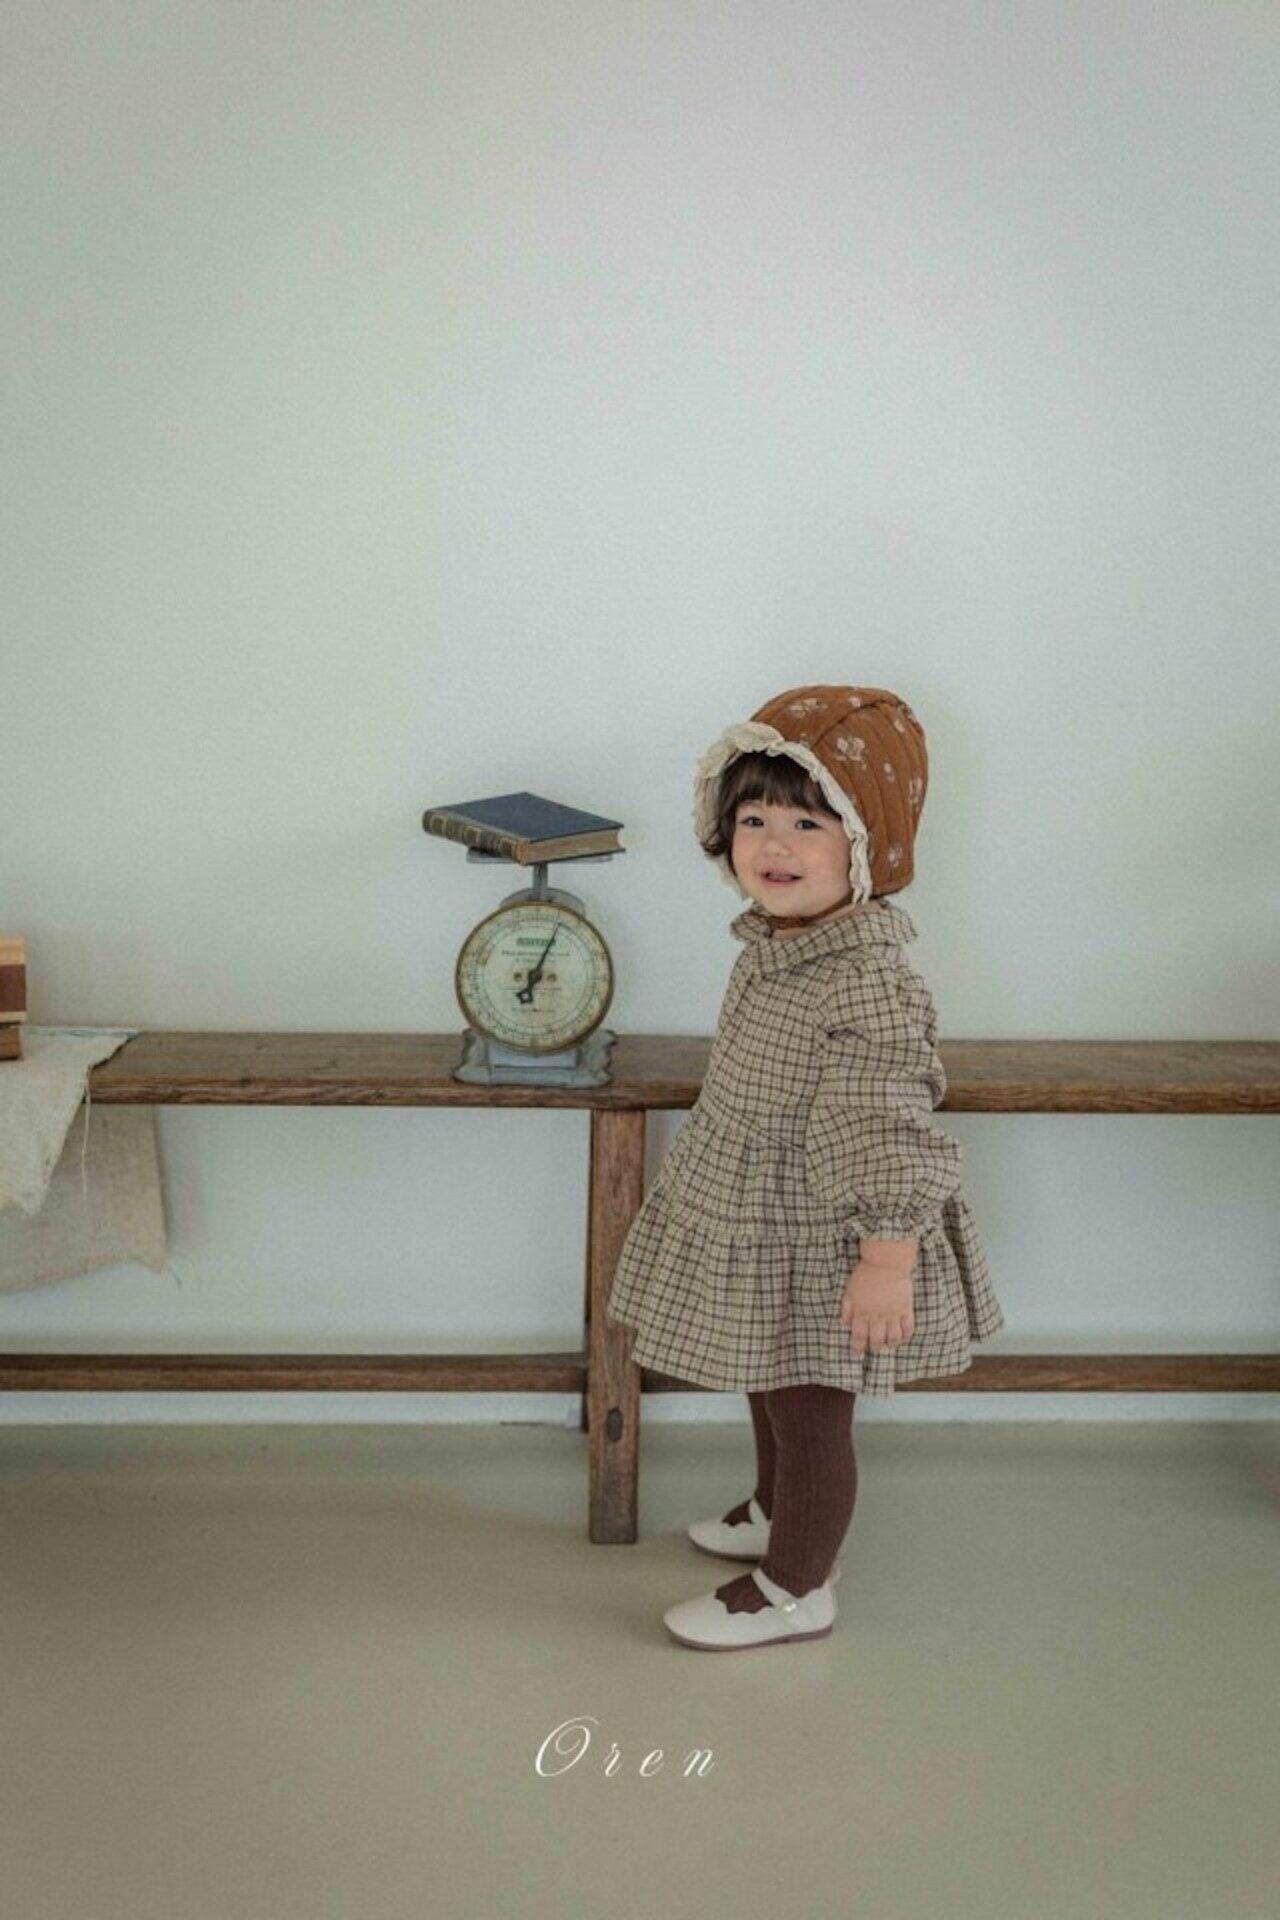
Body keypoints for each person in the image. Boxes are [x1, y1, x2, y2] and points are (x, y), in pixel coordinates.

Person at [604, 683, 1006, 1651]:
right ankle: (775, 1510)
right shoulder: (779, 947)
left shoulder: (863, 980)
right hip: (757, 1209)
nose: (772, 845)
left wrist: (886, 1255)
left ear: (867, 845)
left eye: (807, 823)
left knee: (808, 1404)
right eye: (752, 819)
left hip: (823, 1227)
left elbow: (883, 1119)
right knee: (765, 1367)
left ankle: (796, 1584)